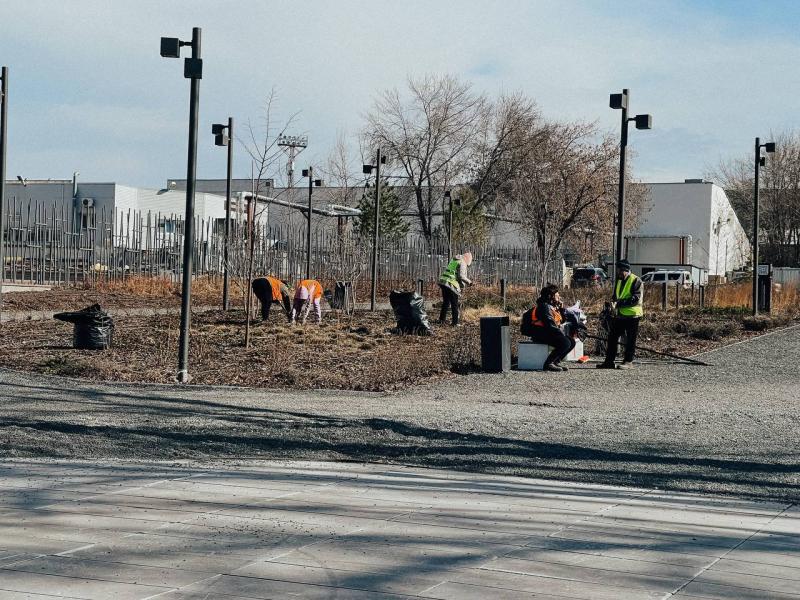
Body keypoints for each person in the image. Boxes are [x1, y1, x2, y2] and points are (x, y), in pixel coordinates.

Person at [597, 260, 643, 369]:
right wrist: (612, 304)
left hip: (633, 315)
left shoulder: (636, 280)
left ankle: (628, 361)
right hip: (620, 315)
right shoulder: (619, 280)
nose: (618, 273)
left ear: (625, 270)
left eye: (619, 270)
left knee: (630, 340)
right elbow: (616, 296)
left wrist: (618, 304)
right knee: (612, 337)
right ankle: (609, 361)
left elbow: (635, 299)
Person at [521, 284, 576, 372]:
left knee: (571, 341)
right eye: (557, 295)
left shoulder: (551, 307)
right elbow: (549, 324)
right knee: (565, 342)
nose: (559, 297)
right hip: (540, 334)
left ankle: (555, 362)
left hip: (546, 333)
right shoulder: (544, 307)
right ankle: (548, 364)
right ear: (551, 296)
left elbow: (561, 321)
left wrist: (561, 309)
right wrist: (561, 335)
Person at [438, 252, 473, 326]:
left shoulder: (455, 259)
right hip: (451, 283)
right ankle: (455, 323)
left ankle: (441, 320)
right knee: (455, 304)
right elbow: (461, 276)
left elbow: (455, 274)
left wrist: (461, 286)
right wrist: (470, 282)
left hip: (444, 281)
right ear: (468, 259)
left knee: (446, 303)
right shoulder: (463, 262)